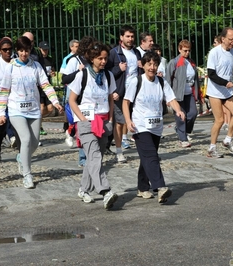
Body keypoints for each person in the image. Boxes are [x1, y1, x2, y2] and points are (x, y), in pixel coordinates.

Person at [0, 36, 63, 189]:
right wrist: (1, 112)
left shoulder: (36, 66)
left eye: (26, 50)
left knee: (33, 143)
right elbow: (4, 91)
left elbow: (46, 85)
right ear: (17, 51)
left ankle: (21, 157)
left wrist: (55, 102)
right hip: (16, 110)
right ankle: (27, 174)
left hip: (33, 110)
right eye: (21, 50)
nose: (24, 54)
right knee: (25, 139)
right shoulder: (10, 67)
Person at [123, 51, 185, 203]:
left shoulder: (161, 82)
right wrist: (128, 120)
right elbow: (126, 102)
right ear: (143, 65)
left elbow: (171, 98)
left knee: (147, 157)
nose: (152, 67)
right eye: (149, 64)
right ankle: (160, 186)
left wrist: (178, 110)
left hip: (156, 126)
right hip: (140, 126)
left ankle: (142, 187)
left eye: (155, 64)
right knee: (151, 156)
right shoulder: (136, 81)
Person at [68, 41, 118, 209]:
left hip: (103, 122)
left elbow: (111, 98)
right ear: (91, 58)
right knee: (95, 156)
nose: (103, 62)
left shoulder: (108, 76)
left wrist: (110, 119)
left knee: (94, 159)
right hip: (86, 122)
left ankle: (83, 189)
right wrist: (82, 119)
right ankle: (105, 191)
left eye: (105, 58)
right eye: (99, 58)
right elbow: (72, 100)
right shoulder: (82, 76)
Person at [106, 25, 143, 163]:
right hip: (120, 93)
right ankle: (119, 151)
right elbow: (107, 72)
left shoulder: (137, 53)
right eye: (127, 36)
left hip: (135, 92)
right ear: (121, 37)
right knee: (120, 122)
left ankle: (142, 148)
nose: (130, 39)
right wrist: (118, 69)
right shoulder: (114, 53)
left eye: (132, 36)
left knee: (136, 119)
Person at [61, 36, 96, 167]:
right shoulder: (73, 60)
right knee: (82, 128)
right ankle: (83, 158)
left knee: (90, 128)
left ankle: (91, 155)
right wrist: (78, 71)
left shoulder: (93, 61)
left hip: (90, 99)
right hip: (77, 99)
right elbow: (64, 79)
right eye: (91, 48)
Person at [206, 27, 233, 158]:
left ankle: (228, 140)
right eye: (230, 39)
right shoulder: (214, 52)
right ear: (223, 39)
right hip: (215, 91)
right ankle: (212, 148)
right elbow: (211, 74)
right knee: (219, 120)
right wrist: (225, 83)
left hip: (228, 91)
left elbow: (231, 69)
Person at [166, 40, 200, 148]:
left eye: (189, 51)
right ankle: (182, 138)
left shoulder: (192, 63)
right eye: (185, 50)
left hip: (189, 93)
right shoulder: (174, 62)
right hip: (177, 94)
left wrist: (198, 94)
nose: (187, 53)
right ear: (179, 49)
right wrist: (168, 97)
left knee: (193, 113)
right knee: (181, 115)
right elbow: (167, 80)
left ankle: (183, 130)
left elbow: (196, 80)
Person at [0, 37, 17, 160]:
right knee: (1, 125)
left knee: (15, 121)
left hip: (14, 98)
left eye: (10, 49)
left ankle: (16, 141)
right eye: (5, 49)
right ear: (0, 50)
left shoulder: (16, 62)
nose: (8, 52)